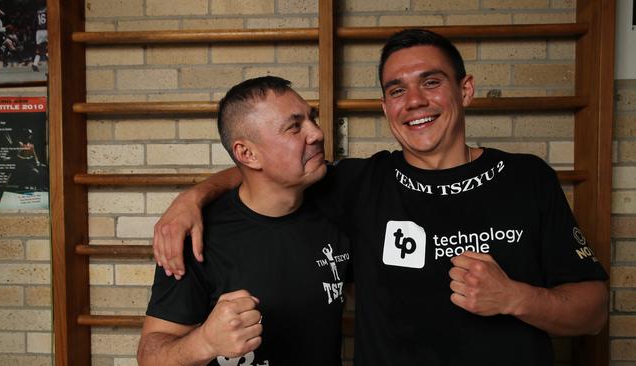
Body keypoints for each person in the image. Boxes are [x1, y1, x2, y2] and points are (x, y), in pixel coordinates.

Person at [151, 29, 608, 365]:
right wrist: (192, 196)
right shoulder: (358, 182)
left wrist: (514, 297)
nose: (414, 101)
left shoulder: (527, 178)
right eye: (396, 90)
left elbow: (593, 311)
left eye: (431, 82)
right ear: (386, 106)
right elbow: (272, 172)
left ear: (464, 89)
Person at [137, 76, 350, 366]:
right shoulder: (198, 237)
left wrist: (194, 194)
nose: (317, 133)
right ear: (247, 154)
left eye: (312, 118)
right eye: (294, 127)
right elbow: (150, 357)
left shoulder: (340, 203)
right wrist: (204, 342)